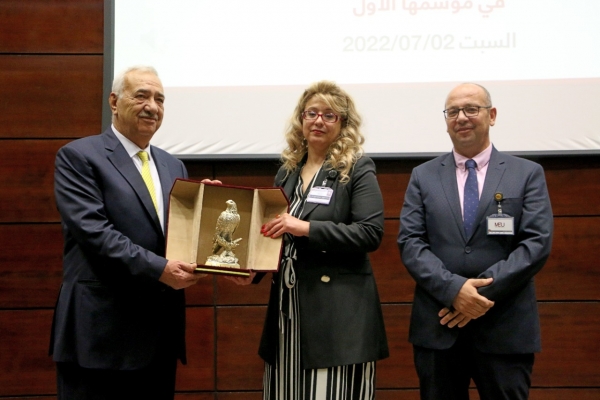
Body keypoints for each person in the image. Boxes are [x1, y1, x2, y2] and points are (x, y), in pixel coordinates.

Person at [49, 66, 212, 399]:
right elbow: (95, 233)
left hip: (157, 338)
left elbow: (176, 235)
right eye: (141, 96)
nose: (152, 106)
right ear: (114, 101)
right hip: (100, 335)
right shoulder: (79, 157)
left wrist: (206, 213)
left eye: (159, 99)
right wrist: (160, 269)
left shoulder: (173, 166)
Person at [229, 81, 389, 399]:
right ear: (301, 119)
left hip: (336, 317)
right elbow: (276, 234)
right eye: (311, 113)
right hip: (287, 311)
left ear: (343, 124)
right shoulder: (287, 172)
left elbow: (370, 233)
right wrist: (254, 271)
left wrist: (306, 228)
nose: (318, 121)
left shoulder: (356, 167)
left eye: (329, 115)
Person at [398, 83, 553, 400]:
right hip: (439, 325)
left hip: (504, 326)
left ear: (491, 115)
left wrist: (477, 296)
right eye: (453, 111)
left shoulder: (526, 173)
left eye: (471, 109)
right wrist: (454, 290)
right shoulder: (423, 176)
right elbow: (411, 242)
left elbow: (535, 244)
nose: (461, 118)